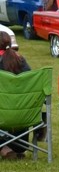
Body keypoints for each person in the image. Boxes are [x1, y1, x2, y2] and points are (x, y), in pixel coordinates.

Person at [0, 30, 33, 160]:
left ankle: (4, 148)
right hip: (22, 124)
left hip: (3, 117)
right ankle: (9, 148)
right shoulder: (21, 61)